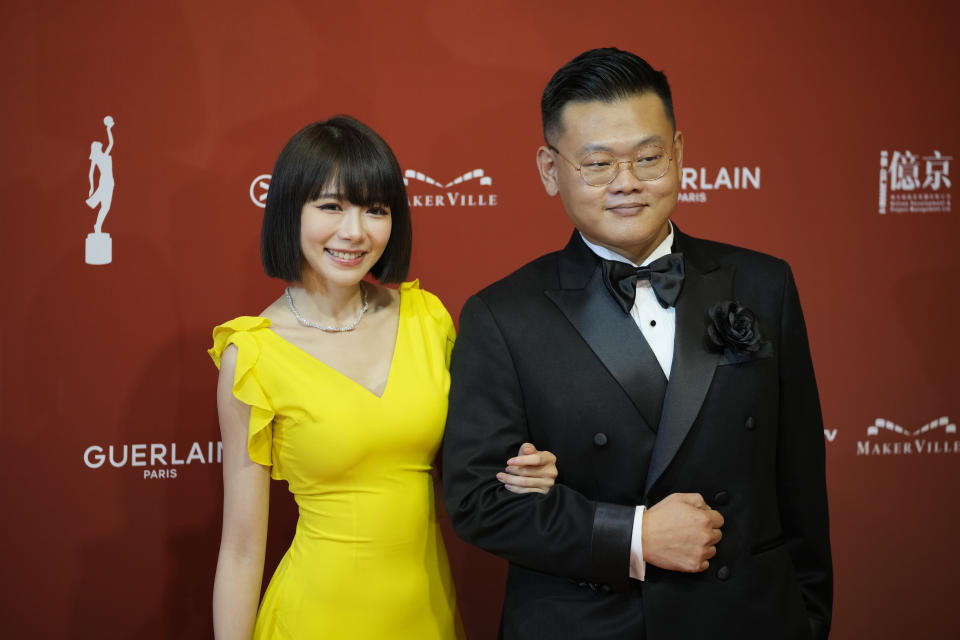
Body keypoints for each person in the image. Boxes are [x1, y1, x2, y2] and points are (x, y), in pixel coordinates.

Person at [442, 48, 832, 639]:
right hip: (589, 621)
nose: (628, 184)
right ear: (551, 170)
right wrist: (633, 535)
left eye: (648, 158)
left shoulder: (762, 283)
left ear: (678, 153)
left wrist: (806, 618)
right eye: (598, 164)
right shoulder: (502, 315)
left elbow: (799, 477)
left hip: (747, 617)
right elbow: (480, 501)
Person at [208, 116, 559, 639]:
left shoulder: (426, 319)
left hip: (427, 616)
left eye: (375, 210)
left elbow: (477, 464)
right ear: (289, 211)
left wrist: (527, 470)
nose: (355, 232)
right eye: (331, 206)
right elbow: (240, 547)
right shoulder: (253, 355)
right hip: (314, 618)